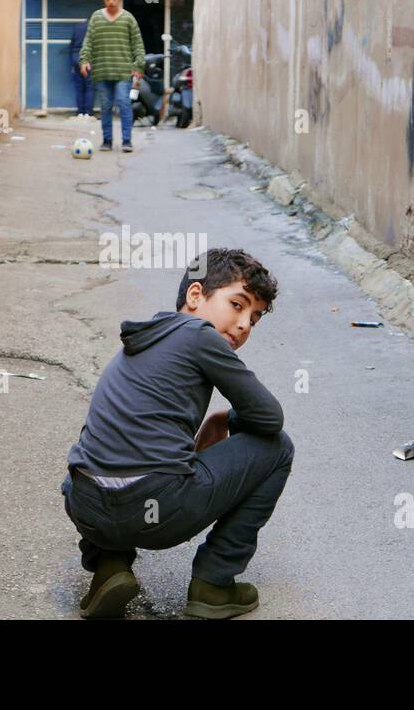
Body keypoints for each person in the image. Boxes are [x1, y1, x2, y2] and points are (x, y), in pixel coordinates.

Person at [60, 248, 294, 619]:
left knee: (104, 456)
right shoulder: (201, 335)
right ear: (196, 295)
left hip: (86, 504)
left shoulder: (144, 340)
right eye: (237, 304)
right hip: (154, 510)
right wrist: (230, 420)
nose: (245, 324)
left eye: (255, 317)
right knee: (278, 448)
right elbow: (269, 417)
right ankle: (214, 584)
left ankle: (109, 567)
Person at [78, 0, 145, 152]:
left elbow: (137, 44)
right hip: (101, 71)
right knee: (106, 106)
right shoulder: (96, 17)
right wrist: (84, 60)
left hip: (123, 71)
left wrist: (139, 66)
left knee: (123, 103)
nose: (111, 2)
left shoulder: (128, 19)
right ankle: (107, 141)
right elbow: (88, 41)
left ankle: (127, 141)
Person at [68, 20, 94, 118]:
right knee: (89, 87)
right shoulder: (94, 28)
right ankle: (88, 112)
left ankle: (80, 112)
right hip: (88, 59)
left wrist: (72, 62)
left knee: (79, 87)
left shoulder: (77, 27)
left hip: (76, 58)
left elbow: (71, 45)